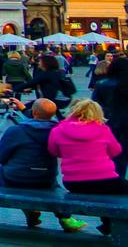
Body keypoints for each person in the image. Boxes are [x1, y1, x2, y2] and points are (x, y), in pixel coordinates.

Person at [0, 98, 87, 232]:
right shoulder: (59, 130)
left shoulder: (16, 131)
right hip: (45, 177)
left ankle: (29, 209)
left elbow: (1, 157)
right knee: (52, 186)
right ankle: (65, 218)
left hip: (17, 177)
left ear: (33, 112)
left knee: (0, 171)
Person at [51, 98, 128, 233]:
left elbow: (54, 151)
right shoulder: (103, 129)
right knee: (115, 191)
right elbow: (116, 151)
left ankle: (107, 224)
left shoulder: (58, 130)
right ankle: (109, 223)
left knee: (103, 192)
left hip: (74, 183)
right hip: (106, 180)